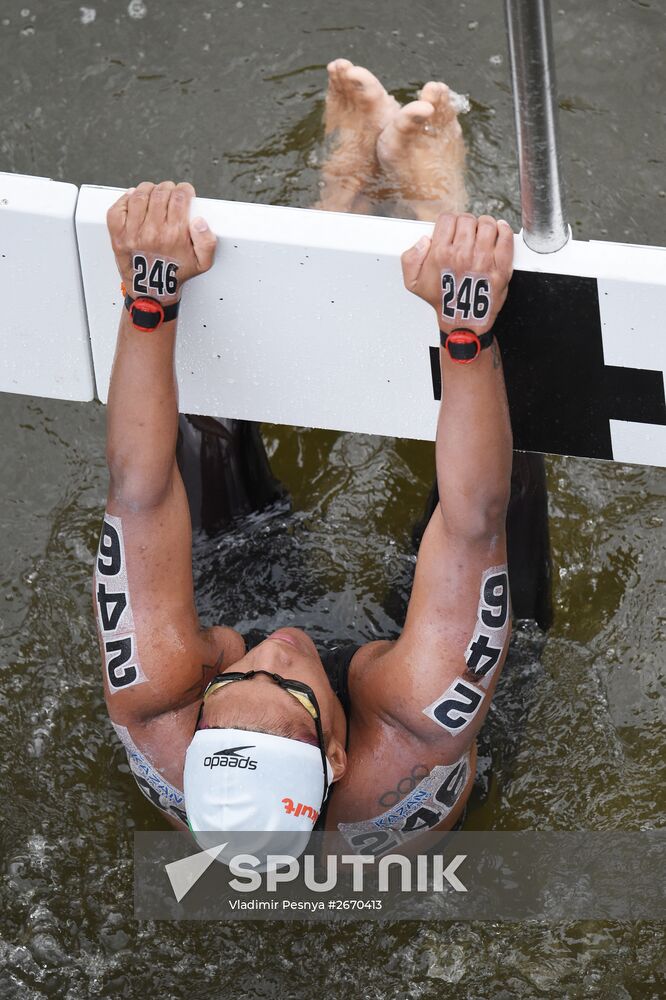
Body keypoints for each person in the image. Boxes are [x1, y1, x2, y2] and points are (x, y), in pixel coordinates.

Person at [96, 62, 515, 861]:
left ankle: (346, 184)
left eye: (237, 679)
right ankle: (446, 219)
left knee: (201, 414)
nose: (277, 648)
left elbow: (138, 493)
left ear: (197, 739)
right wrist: (464, 322)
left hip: (270, 712)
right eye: (287, 686)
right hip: (398, 706)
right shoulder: (416, 732)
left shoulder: (157, 705)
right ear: (334, 758)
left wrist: (149, 292)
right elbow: (474, 526)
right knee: (509, 456)